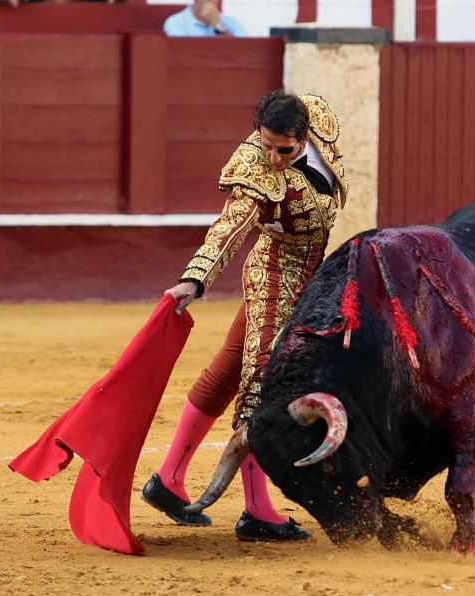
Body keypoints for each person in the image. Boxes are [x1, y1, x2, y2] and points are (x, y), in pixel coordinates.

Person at [141, 90, 349, 541]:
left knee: (228, 370)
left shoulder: (318, 118)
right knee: (263, 386)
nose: (272, 157)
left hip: (310, 277)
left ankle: (168, 480)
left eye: (285, 149)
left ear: (307, 135)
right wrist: (194, 279)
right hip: (275, 276)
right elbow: (230, 228)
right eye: (266, 144)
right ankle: (257, 511)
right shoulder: (254, 168)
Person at [163, 0, 245, 37]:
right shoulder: (175, 23)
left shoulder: (232, 22)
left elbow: (241, 54)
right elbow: (181, 55)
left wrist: (218, 24)